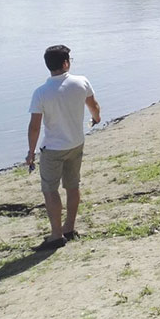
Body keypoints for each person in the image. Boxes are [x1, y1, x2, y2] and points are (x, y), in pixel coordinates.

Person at [26, 45, 101, 249]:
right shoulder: (81, 82)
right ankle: (69, 227)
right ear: (66, 63)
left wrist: (31, 152)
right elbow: (94, 106)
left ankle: (57, 235)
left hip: (52, 148)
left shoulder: (41, 92)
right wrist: (96, 119)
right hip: (76, 143)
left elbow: (34, 127)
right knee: (72, 185)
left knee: (50, 190)